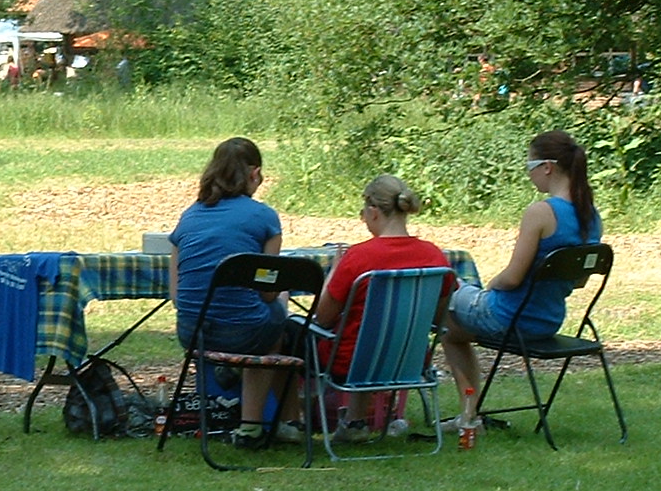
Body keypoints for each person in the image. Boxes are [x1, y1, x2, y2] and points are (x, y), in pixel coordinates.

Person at [441, 130, 601, 428]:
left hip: (506, 316)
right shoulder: (591, 215)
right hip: (547, 320)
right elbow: (579, 282)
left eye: (530, 167)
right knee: (453, 330)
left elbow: (512, 278)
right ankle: (468, 415)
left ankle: (466, 412)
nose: (530, 175)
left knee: (444, 294)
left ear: (547, 167)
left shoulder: (540, 212)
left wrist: (491, 285)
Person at [311, 175, 450, 442]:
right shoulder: (434, 255)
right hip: (410, 361)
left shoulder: (358, 257)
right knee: (367, 337)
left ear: (373, 211)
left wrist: (335, 271)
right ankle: (354, 423)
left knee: (301, 335)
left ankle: (291, 424)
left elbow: (323, 318)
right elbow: (438, 315)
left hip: (352, 363)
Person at [168, 137, 287, 449]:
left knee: (253, 320)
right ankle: (257, 425)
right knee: (277, 323)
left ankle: (230, 374)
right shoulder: (264, 217)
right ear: (255, 173)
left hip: (192, 332)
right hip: (244, 331)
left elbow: (176, 294)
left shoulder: (189, 216)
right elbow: (268, 292)